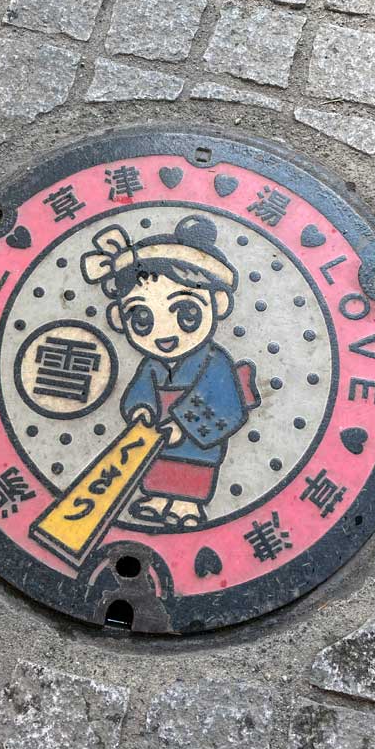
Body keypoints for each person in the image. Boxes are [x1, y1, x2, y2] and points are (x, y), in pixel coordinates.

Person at [81, 214, 260, 530]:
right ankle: (158, 500)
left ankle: (187, 507)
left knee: (191, 473)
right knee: (156, 468)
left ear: (218, 303)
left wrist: (181, 425)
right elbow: (141, 390)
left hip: (196, 437)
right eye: (142, 319)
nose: (164, 334)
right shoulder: (153, 364)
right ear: (119, 319)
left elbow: (222, 400)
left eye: (187, 313)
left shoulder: (215, 360)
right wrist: (141, 410)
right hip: (160, 432)